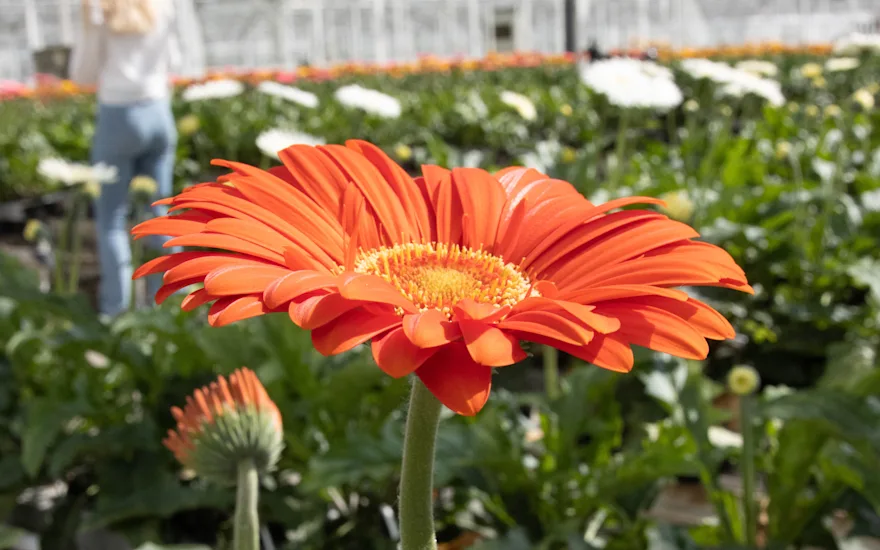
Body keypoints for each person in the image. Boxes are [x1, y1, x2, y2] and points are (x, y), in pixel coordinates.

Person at [69, 0, 204, 317]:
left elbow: (83, 74)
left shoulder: (100, 7)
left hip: (118, 116)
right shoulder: (163, 4)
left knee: (111, 221)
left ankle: (116, 310)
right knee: (159, 216)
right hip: (158, 113)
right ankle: (169, 307)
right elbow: (177, 58)